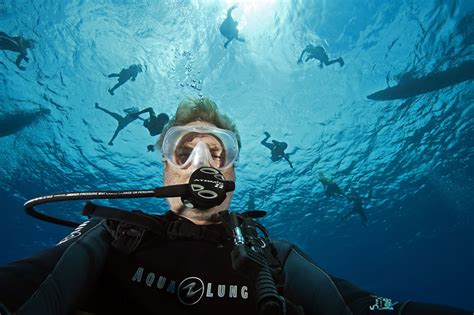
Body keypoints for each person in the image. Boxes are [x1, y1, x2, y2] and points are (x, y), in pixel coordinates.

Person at [0, 98, 472, 315]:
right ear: (165, 170)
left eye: (217, 152)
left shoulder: (276, 259)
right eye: (183, 151)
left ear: (231, 175)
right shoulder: (110, 239)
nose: (201, 162)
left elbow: (370, 308)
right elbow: (21, 285)